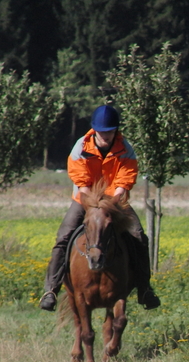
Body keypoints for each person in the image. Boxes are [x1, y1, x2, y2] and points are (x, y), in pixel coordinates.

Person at [39, 105, 161, 312]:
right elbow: (81, 182)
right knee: (63, 237)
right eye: (102, 132)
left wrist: (112, 203)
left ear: (116, 131)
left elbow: (125, 180)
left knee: (139, 236)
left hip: (115, 201)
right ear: (94, 130)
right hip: (85, 199)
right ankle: (51, 289)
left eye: (110, 131)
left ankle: (144, 289)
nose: (106, 136)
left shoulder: (126, 148)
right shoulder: (80, 148)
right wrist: (93, 204)